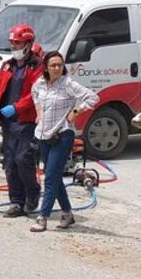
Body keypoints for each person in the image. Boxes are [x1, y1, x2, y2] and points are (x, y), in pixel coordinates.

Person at [29, 51, 99, 232]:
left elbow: (93, 97)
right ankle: (67, 214)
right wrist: (38, 114)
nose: (57, 68)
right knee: (55, 177)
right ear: (46, 67)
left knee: (50, 177)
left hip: (62, 135)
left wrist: (75, 112)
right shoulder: (41, 83)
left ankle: (43, 217)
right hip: (44, 135)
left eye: (60, 65)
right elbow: (35, 95)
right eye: (53, 65)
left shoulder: (68, 83)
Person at [0, 23, 44, 218]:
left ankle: (32, 196)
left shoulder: (37, 66)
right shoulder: (7, 65)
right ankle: (16, 201)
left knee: (23, 160)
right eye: (12, 44)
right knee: (10, 163)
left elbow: (37, 93)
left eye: (17, 44)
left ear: (28, 43)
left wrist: (16, 107)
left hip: (27, 121)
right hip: (9, 123)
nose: (14, 47)